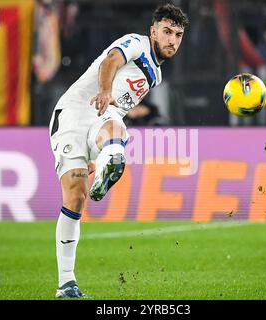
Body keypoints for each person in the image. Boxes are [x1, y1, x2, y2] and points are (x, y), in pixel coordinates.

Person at [48, 3, 189, 298]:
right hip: (75, 112)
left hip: (106, 116)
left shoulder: (156, 76)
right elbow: (110, 60)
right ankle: (66, 283)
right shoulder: (136, 43)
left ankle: (107, 163)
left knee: (116, 127)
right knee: (75, 196)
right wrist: (104, 90)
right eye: (166, 32)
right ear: (153, 32)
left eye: (177, 34)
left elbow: (123, 103)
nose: (171, 40)